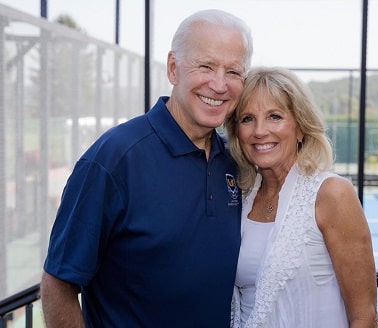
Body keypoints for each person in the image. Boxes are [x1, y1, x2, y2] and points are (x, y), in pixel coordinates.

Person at [40, 9, 253, 327]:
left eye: (233, 72)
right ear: (173, 68)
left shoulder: (235, 162)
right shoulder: (113, 159)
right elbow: (57, 283)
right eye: (205, 66)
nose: (219, 85)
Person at [225, 67, 378, 327]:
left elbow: (364, 316)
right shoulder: (241, 196)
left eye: (274, 116)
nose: (260, 131)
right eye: (248, 118)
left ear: (300, 128)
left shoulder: (332, 194)